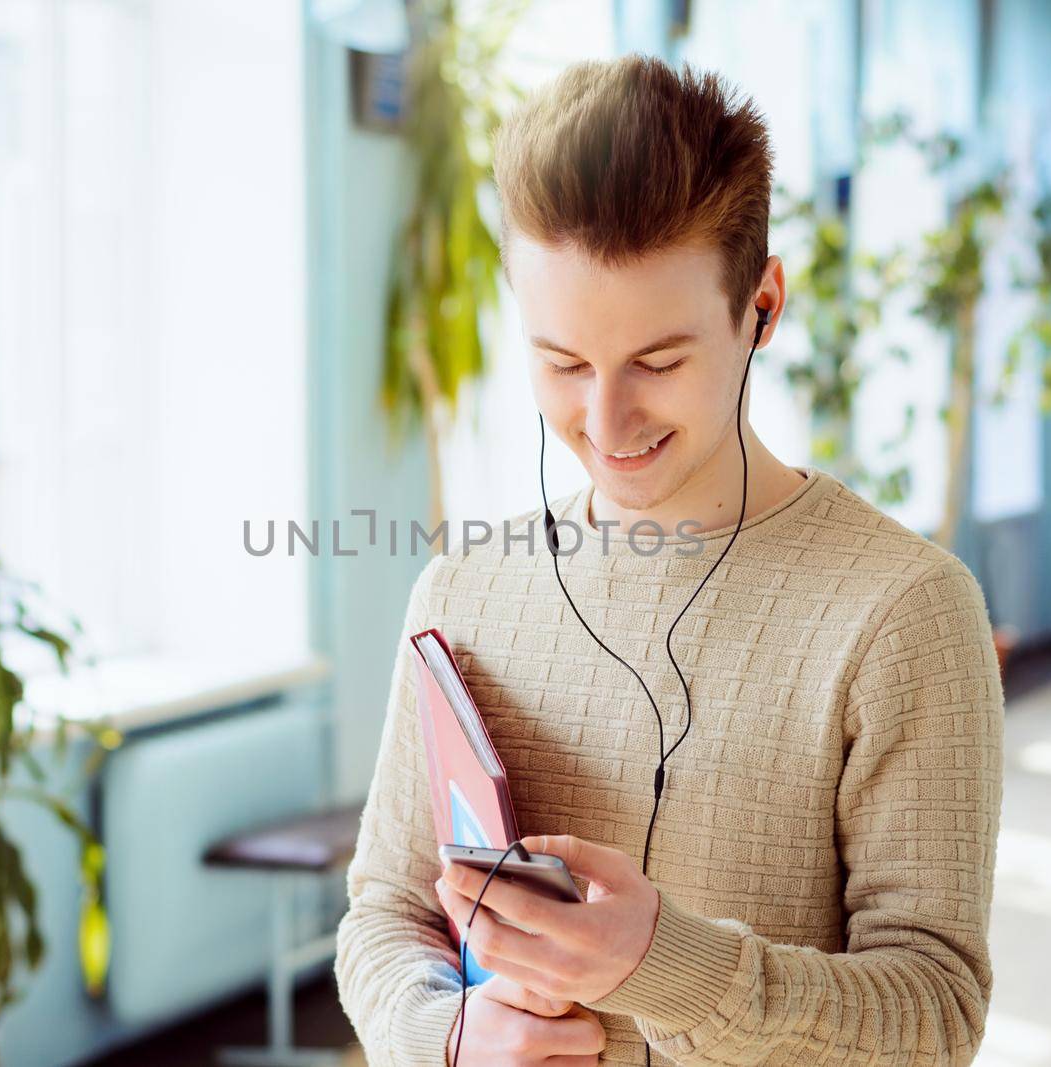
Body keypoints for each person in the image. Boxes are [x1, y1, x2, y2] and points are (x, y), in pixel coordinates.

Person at [334, 53, 1003, 1067]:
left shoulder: (905, 608)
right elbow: (383, 913)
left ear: (762, 307)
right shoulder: (461, 590)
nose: (605, 419)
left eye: (658, 361)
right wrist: (448, 1030)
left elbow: (933, 1012)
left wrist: (662, 959)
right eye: (561, 362)